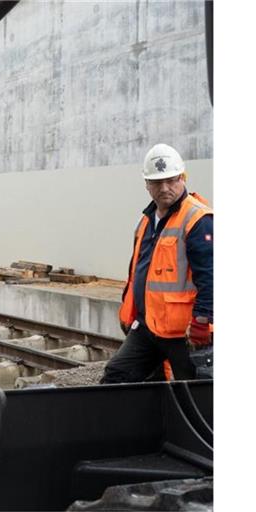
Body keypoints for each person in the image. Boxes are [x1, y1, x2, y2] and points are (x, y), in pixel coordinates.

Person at [101, 144, 213, 383]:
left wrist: (202, 321)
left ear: (183, 178)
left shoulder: (197, 219)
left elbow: (211, 276)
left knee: (194, 396)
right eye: (156, 182)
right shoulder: (146, 221)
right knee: (116, 377)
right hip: (148, 327)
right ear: (146, 185)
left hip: (185, 332)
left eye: (171, 180)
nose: (165, 188)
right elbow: (139, 273)